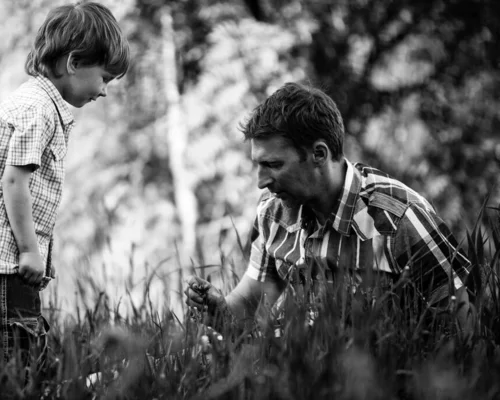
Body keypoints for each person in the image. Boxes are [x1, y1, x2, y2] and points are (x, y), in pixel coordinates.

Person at [185, 82, 472, 338]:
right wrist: (218, 311)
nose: (261, 182)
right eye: (258, 165)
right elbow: (250, 308)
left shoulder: (398, 219)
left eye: (273, 165)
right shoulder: (274, 215)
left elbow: (465, 334)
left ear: (319, 154)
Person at [0, 1, 129, 368]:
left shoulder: (40, 103)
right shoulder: (38, 110)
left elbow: (27, 188)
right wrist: (29, 251)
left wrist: (37, 254)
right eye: (104, 77)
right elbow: (13, 183)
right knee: (23, 359)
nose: (105, 90)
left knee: (26, 352)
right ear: (74, 63)